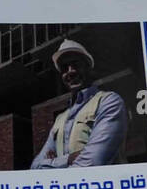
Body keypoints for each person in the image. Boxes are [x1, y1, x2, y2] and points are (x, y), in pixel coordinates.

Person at [31, 39, 127, 169]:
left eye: (75, 64)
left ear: (88, 67)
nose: (70, 71)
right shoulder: (59, 119)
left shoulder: (109, 102)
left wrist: (52, 163)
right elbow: (35, 167)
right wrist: (68, 159)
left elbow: (91, 164)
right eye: (65, 68)